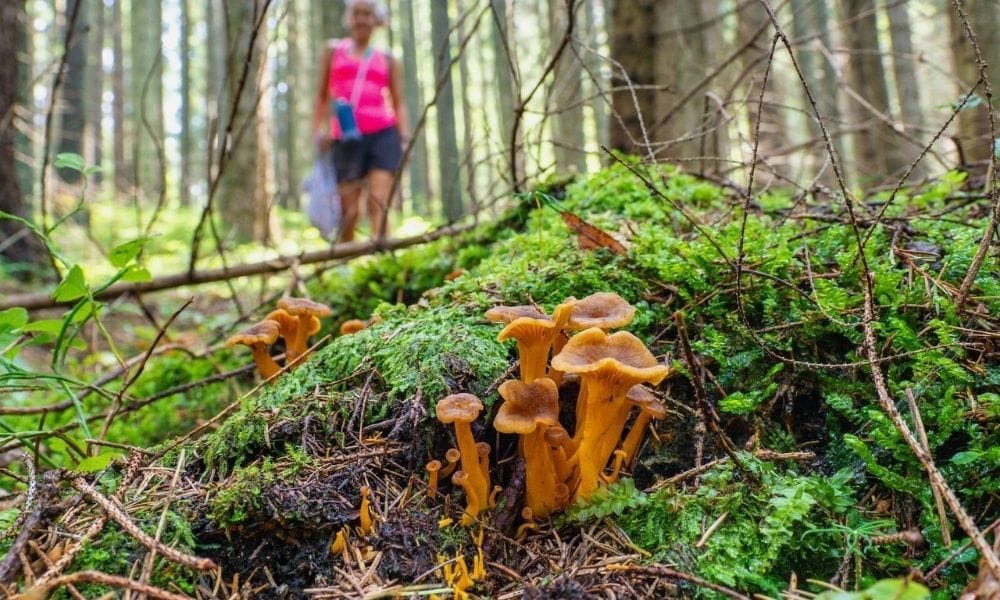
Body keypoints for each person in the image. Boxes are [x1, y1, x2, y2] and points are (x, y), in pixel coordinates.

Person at [312, 0, 407, 242]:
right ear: (348, 18)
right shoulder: (333, 51)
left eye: (367, 14)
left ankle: (384, 264)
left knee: (379, 202)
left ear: (376, 20)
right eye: (357, 13)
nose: (361, 19)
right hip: (344, 136)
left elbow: (398, 101)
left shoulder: (387, 58)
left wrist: (404, 138)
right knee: (349, 212)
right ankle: (347, 266)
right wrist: (318, 130)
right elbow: (322, 95)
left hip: (383, 134)